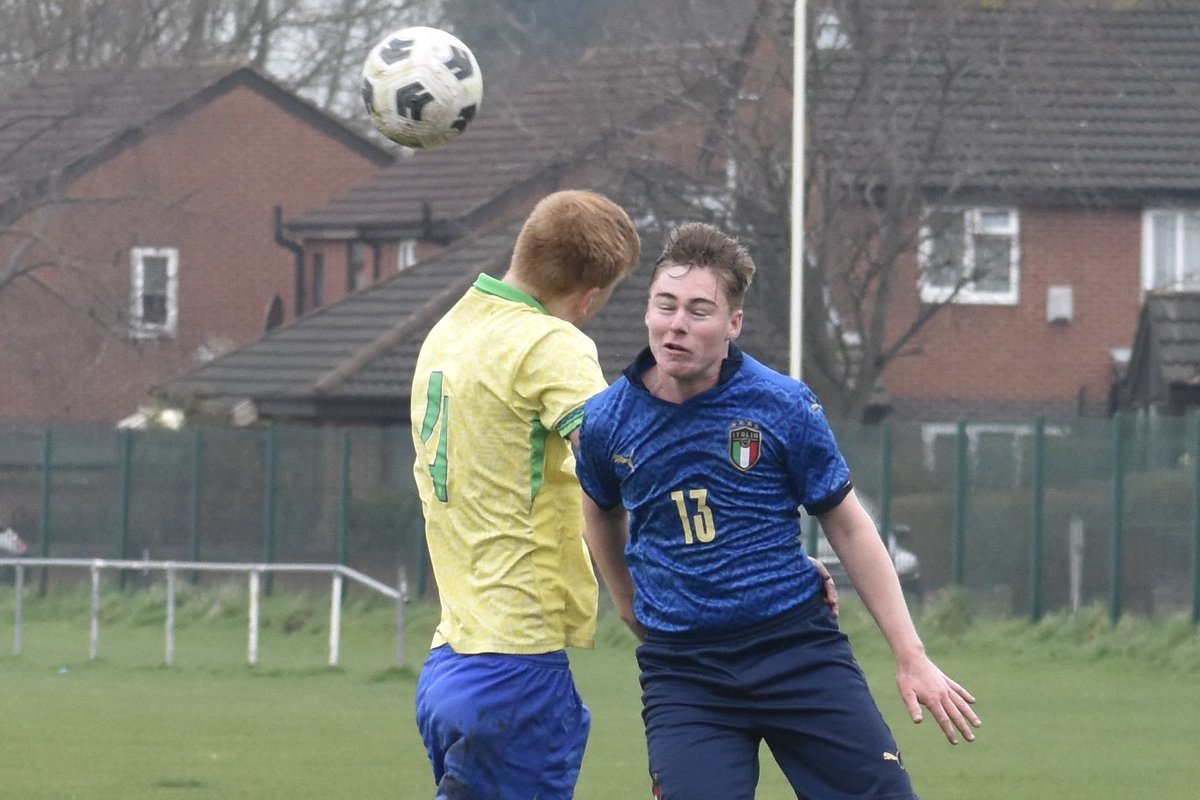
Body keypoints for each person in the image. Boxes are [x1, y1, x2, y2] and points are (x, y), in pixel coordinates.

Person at [576, 222, 981, 800]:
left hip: (797, 650)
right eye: (665, 305)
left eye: (699, 310)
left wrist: (910, 654)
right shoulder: (607, 420)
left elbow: (846, 523)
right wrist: (625, 601)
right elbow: (599, 509)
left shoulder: (782, 405)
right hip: (687, 673)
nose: (677, 325)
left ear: (733, 324)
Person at [409, 189, 641, 800]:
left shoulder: (448, 332)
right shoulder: (549, 344)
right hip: (514, 668)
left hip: (450, 664)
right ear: (590, 296)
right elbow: (619, 465)